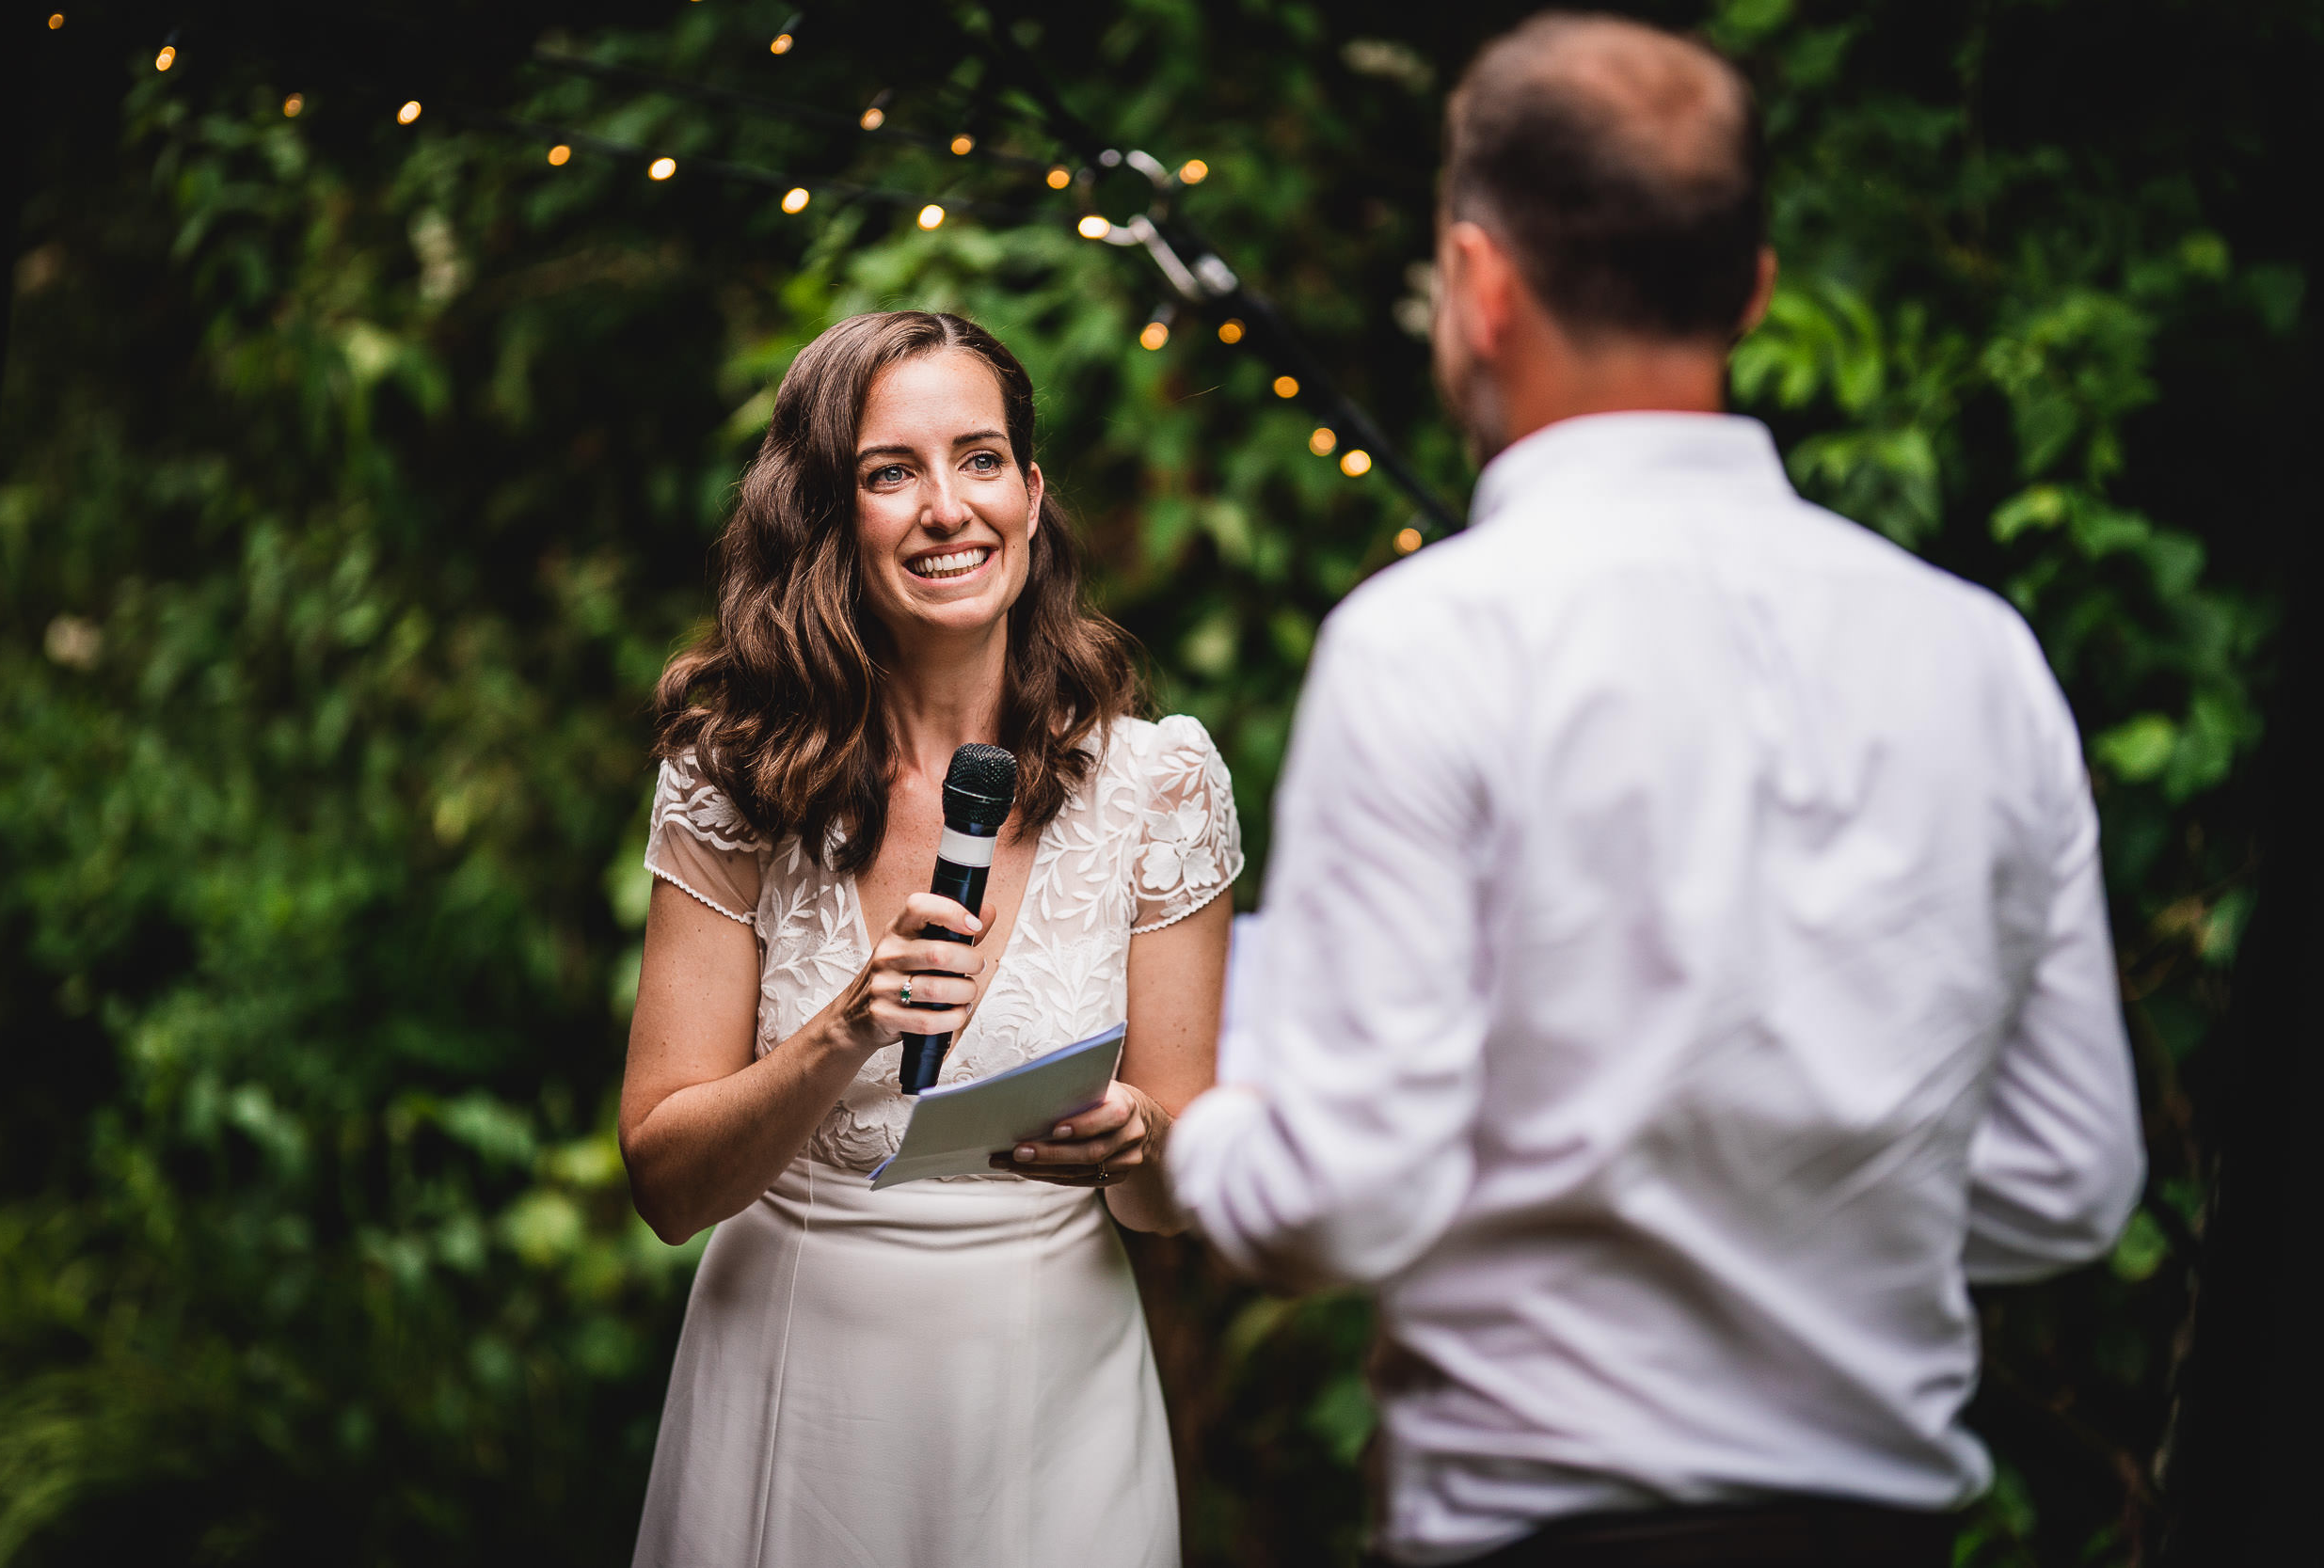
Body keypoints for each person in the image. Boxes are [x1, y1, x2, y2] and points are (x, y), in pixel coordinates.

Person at [1168, 13, 2144, 1568]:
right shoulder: (1980, 656)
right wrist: (1795, 1189)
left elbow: (1345, 1199)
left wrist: (1190, 1120)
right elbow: (2073, 1179)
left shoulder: (1430, 642)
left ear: (1482, 287)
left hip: (1540, 1532)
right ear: (1754, 288)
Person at [622, 310, 1240, 1567]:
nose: (947, 507)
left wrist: (1140, 1139)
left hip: (1051, 1404)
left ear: (1031, 491)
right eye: (890, 472)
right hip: (790, 1385)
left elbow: (1180, 1195)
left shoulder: (1159, 785)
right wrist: (845, 1025)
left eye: (981, 458)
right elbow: (666, 1183)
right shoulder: (734, 780)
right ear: (828, 518)